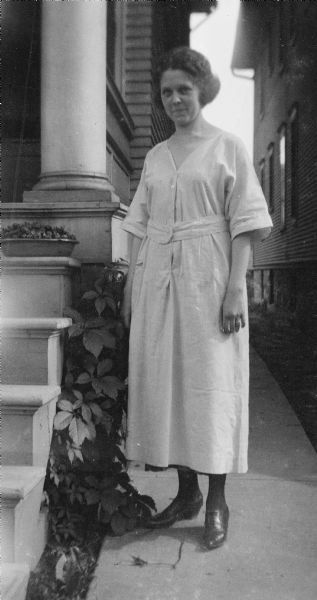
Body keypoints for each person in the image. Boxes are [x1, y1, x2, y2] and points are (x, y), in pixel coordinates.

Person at [121, 47, 272, 550]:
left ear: (202, 90)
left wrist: (236, 289)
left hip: (210, 278)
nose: (175, 99)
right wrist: (130, 284)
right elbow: (138, 225)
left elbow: (245, 225)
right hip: (159, 280)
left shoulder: (227, 146)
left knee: (211, 384)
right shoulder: (156, 157)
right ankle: (186, 494)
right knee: (169, 384)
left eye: (183, 89)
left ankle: (216, 501)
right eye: (167, 92)